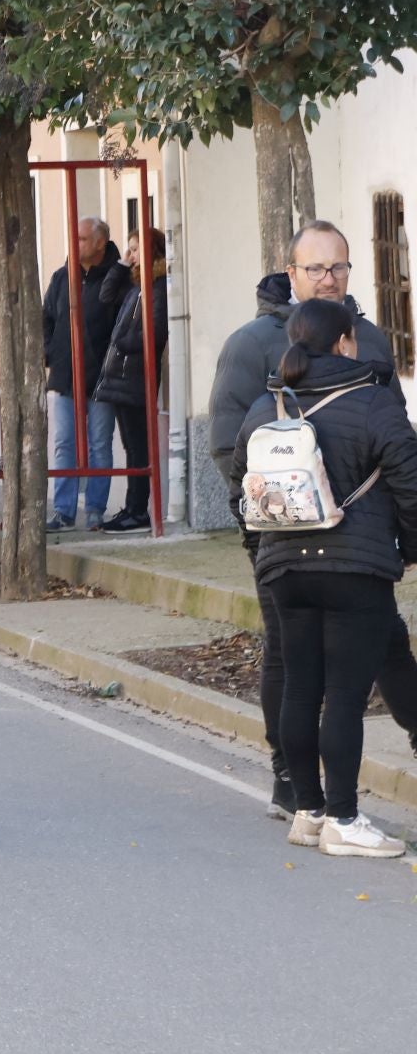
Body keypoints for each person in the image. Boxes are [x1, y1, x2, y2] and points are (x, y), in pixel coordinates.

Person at [209, 220, 417, 801]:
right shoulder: (252, 344)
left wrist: (396, 534)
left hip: (359, 541)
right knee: (289, 658)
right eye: (316, 268)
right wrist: (261, 526)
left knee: (387, 642)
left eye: (339, 267)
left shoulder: (369, 340)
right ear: (291, 271)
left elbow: (397, 443)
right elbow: (231, 447)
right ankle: (290, 778)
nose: (329, 279)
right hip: (283, 538)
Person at [232, 299, 416, 859]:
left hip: (285, 569)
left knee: (301, 685)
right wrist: (407, 550)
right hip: (353, 571)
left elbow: (241, 484)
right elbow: (410, 481)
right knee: (343, 695)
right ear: (343, 343)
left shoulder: (267, 406)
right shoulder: (374, 403)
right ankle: (345, 818)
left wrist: (260, 548)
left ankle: (308, 812)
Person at [42, 218, 126, 531]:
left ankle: (94, 510)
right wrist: (52, 353)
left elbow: (123, 323)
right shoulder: (62, 277)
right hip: (66, 377)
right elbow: (46, 317)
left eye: (81, 239)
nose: (74, 244)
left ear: (100, 243)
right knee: (64, 442)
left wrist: (109, 362)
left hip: (102, 379)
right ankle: (63, 512)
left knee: (99, 445)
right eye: (73, 238)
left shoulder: (117, 279)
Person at [94, 228, 170, 534]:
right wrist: (123, 264)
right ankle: (132, 507)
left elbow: (155, 329)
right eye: (130, 249)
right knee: (131, 446)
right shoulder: (138, 284)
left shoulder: (159, 286)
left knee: (137, 448)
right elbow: (105, 295)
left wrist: (122, 342)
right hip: (121, 376)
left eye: (136, 249)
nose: (132, 254)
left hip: (135, 376)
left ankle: (138, 511)